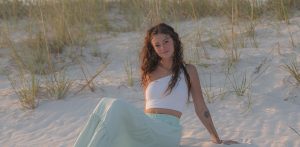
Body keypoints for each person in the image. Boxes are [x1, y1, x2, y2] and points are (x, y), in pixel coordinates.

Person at [73, 23, 239, 147]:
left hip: (167, 132)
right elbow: (148, 107)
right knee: (104, 105)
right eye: (157, 45)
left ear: (174, 41)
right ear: (153, 49)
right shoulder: (149, 72)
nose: (163, 47)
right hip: (148, 127)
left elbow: (200, 107)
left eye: (166, 41)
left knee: (115, 105)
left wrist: (216, 139)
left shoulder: (188, 70)